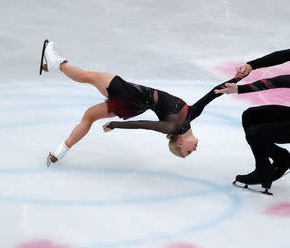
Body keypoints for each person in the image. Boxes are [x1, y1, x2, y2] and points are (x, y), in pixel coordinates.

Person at [40, 40, 240, 166]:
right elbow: (213, 93)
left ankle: (58, 64)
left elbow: (144, 125)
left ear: (180, 143)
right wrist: (237, 79)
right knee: (89, 116)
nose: (193, 150)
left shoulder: (172, 125)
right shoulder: (191, 115)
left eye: (187, 151)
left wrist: (116, 124)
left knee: (90, 77)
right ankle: (60, 151)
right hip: (134, 105)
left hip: (131, 96)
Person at [215, 21, 290, 192]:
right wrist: (251, 65)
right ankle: (280, 160)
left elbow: (278, 81)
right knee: (250, 116)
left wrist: (239, 89)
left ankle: (264, 172)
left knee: (256, 133)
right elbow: (282, 55)